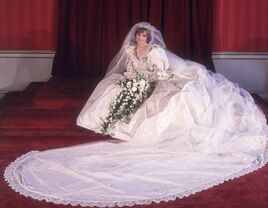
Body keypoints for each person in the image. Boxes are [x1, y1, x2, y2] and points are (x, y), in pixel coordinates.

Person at [4, 22, 268, 207]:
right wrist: (132, 80)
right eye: (138, 36)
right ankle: (112, 121)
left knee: (164, 98)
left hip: (157, 79)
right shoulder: (131, 51)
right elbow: (130, 68)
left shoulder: (156, 52)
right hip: (138, 81)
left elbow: (162, 72)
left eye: (143, 37)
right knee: (112, 88)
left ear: (149, 38)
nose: (140, 39)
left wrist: (146, 81)